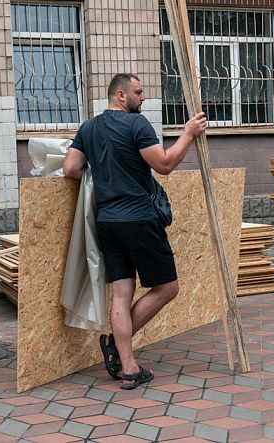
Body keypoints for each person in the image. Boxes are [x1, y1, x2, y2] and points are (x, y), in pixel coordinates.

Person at [63, 73, 206, 390]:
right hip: (139, 219)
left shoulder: (89, 128)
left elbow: (71, 169)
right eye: (139, 93)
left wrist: (102, 171)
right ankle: (116, 343)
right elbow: (164, 164)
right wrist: (188, 134)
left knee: (121, 293)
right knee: (168, 288)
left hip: (107, 222)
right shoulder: (137, 125)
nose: (143, 98)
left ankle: (128, 368)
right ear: (120, 95)